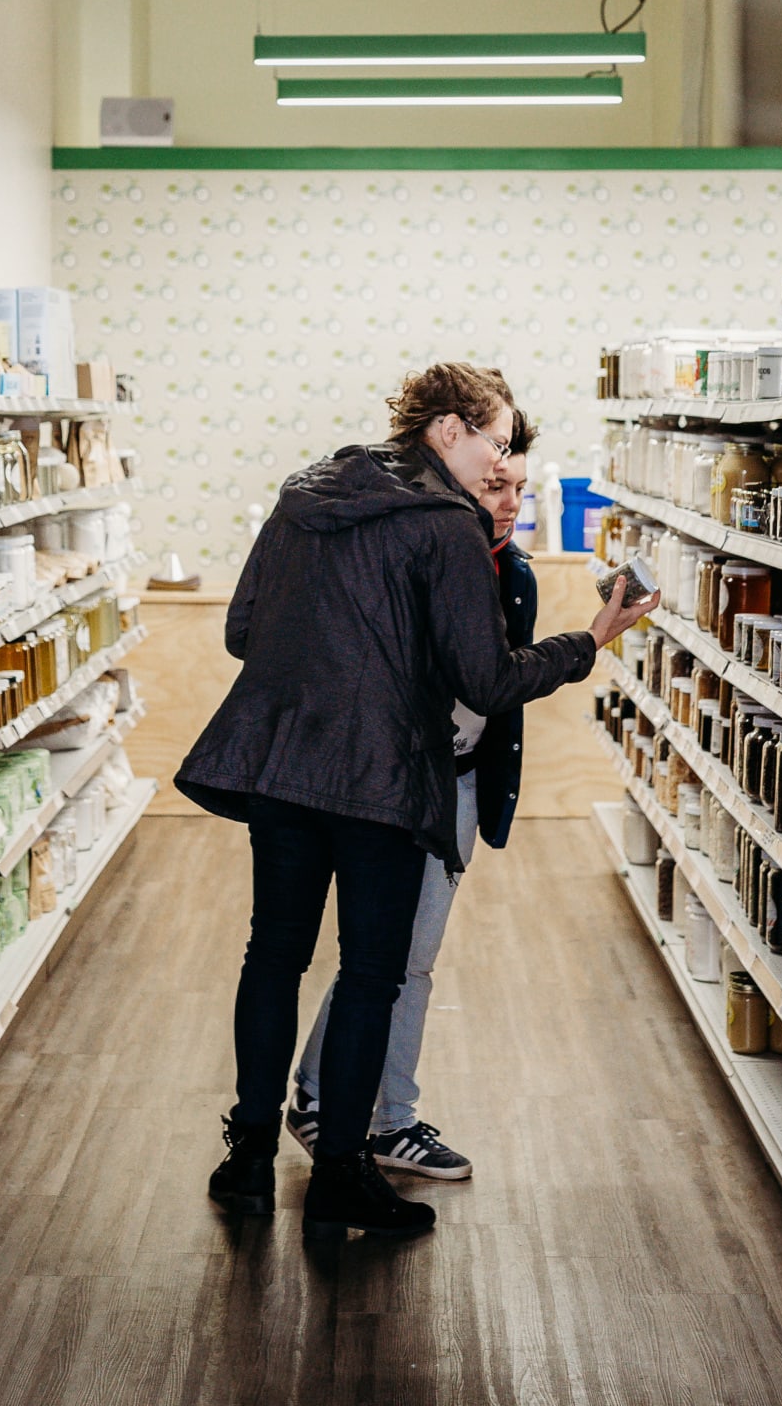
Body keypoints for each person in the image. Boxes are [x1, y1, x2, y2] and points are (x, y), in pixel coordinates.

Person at [177, 364, 654, 1243]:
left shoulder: (305, 497)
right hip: (381, 783)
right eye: (496, 445)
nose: (500, 466)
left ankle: (246, 1155)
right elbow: (485, 677)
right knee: (371, 974)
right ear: (447, 430)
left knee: (272, 955)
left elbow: (243, 630)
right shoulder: (444, 528)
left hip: (282, 769)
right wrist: (591, 639)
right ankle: (340, 1175)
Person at [282, 417, 545, 1181]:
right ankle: (351, 1110)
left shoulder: (514, 571)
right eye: (495, 483)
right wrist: (586, 643)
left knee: (406, 961)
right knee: (385, 960)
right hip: (395, 785)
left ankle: (356, 1108)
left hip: (457, 782)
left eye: (520, 488)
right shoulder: (419, 549)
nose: (507, 502)